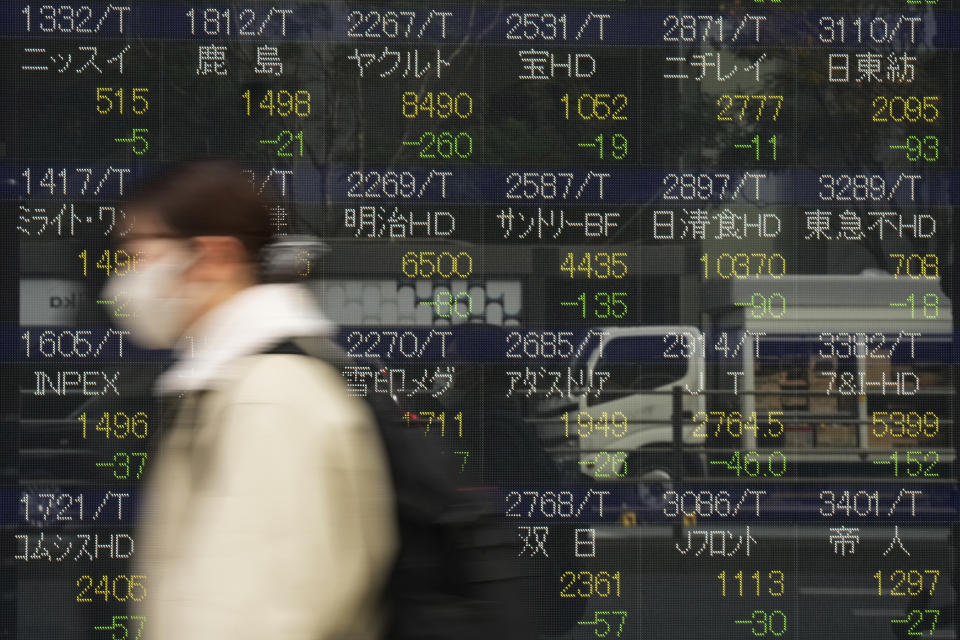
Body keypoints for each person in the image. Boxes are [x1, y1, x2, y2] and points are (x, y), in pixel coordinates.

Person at [104, 160, 398, 640]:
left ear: (215, 257)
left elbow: (249, 616)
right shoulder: (235, 386)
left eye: (138, 256)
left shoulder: (270, 400)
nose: (125, 282)